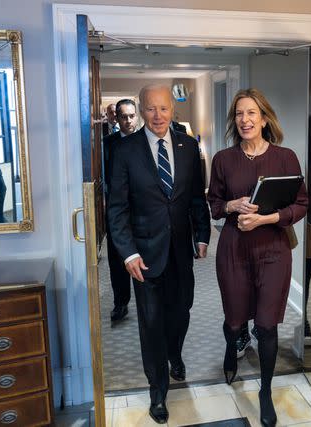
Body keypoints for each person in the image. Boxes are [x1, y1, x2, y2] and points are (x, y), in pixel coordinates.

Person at [108, 84, 211, 424]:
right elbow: (118, 208)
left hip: (181, 249)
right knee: (151, 322)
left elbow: (196, 196)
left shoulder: (188, 146)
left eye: (163, 108)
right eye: (150, 109)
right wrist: (127, 253)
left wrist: (202, 234)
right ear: (140, 110)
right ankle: (158, 389)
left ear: (172, 110)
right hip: (144, 254)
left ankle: (174, 352)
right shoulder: (125, 151)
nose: (157, 116)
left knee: (182, 310)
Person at [207, 88, 308, 427]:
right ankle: (231, 344)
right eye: (239, 114)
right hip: (234, 249)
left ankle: (265, 390)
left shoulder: (286, 157)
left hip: (273, 251)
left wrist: (266, 218)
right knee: (235, 320)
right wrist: (231, 206)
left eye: (251, 113)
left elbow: (301, 204)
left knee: (266, 325)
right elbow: (214, 203)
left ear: (265, 119)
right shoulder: (223, 159)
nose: (245, 120)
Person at [103, 98, 138, 322]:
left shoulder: (146, 141)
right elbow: (103, 175)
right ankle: (120, 303)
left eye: (131, 116)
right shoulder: (108, 143)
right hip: (117, 209)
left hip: (142, 209)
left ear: (137, 116)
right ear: (116, 117)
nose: (128, 121)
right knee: (117, 259)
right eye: (123, 116)